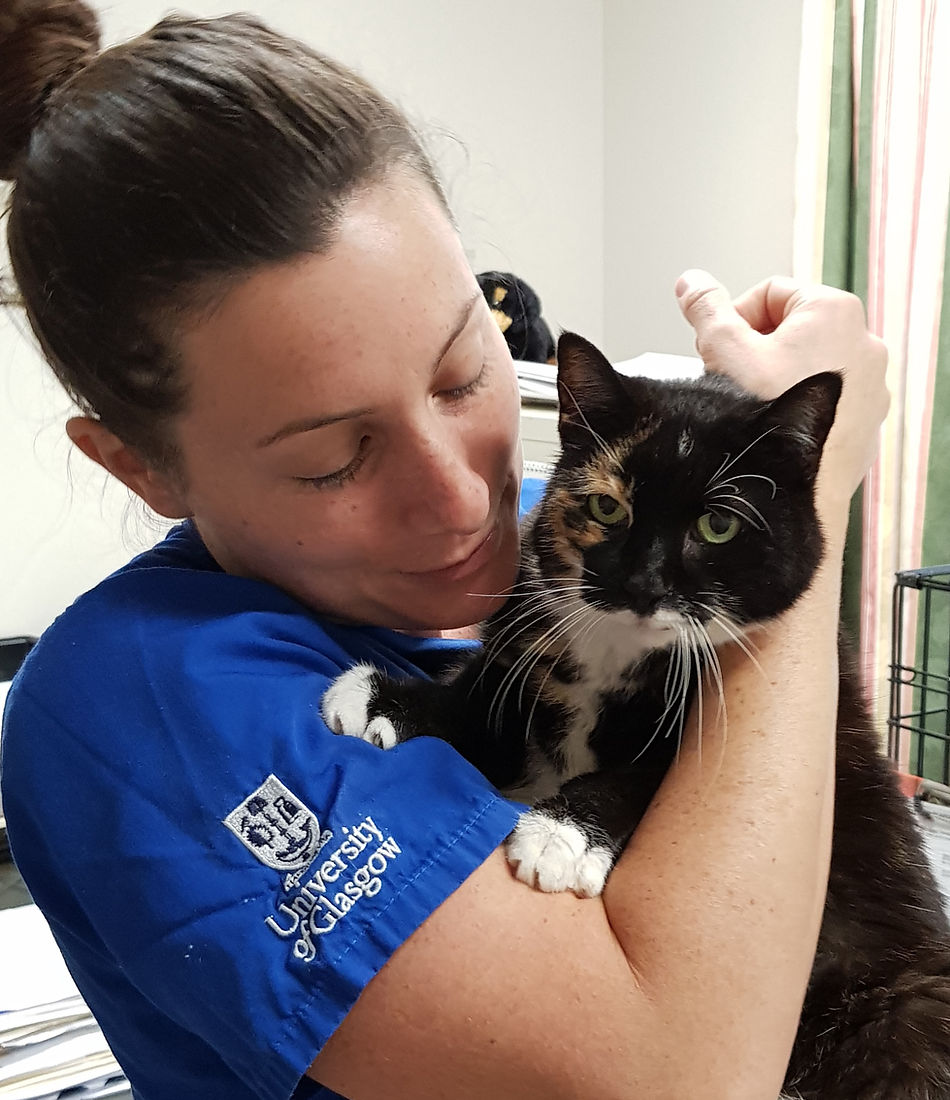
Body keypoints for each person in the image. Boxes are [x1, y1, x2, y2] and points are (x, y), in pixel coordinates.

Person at [0, 4, 889, 1099]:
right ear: (142, 466)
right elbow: (672, 1076)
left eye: (464, 372)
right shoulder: (141, 699)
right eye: (332, 456)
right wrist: (820, 487)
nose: (463, 496)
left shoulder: (557, 527)